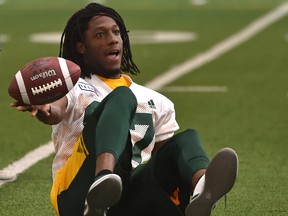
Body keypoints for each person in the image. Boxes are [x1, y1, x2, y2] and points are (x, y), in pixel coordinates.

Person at [11, 3, 238, 216]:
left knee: (185, 139)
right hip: (75, 195)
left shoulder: (157, 102)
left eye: (116, 32)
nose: (113, 40)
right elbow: (56, 111)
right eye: (100, 35)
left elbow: (162, 163)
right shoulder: (72, 86)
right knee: (121, 97)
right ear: (81, 46)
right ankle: (103, 179)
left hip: (125, 196)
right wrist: (45, 108)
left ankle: (203, 186)